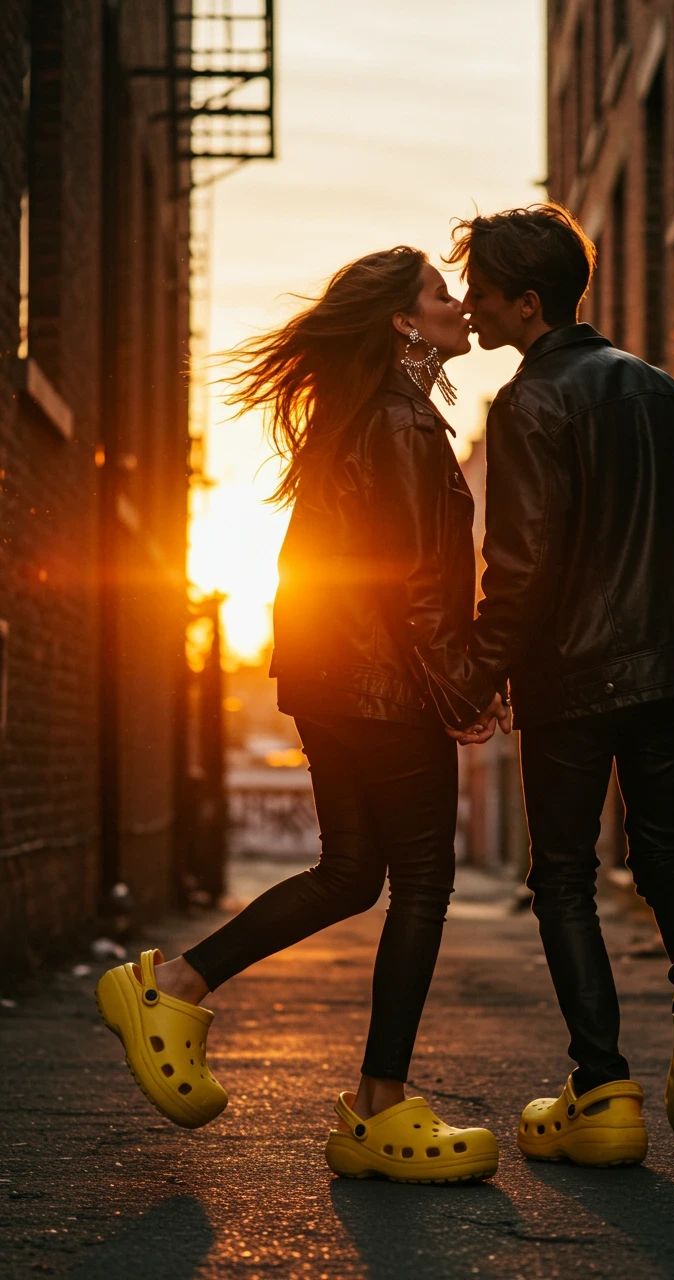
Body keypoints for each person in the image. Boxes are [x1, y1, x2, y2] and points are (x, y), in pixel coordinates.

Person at [96, 246, 508, 1184]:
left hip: (331, 679)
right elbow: (412, 584)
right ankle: (380, 1107)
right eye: (441, 296)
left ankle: (172, 985)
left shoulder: (358, 418)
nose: (457, 307)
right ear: (405, 321)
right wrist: (463, 688)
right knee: (425, 882)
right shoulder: (403, 425)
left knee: (352, 872)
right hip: (385, 682)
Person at [445, 204, 674, 1164]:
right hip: (673, 671)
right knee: (666, 849)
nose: (470, 305)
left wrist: (475, 675)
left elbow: (524, 566)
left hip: (573, 680)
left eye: (484, 293)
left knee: (567, 876)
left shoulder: (529, 402)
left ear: (527, 303)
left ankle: (604, 1092)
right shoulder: (656, 386)